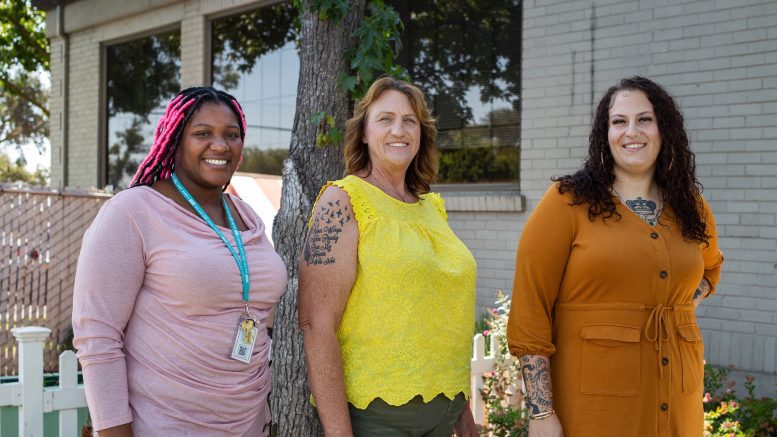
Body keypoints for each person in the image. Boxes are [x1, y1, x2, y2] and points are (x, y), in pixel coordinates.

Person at [507, 76, 724, 437]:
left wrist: (680, 307)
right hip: (593, 411)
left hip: (678, 405)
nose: (631, 131)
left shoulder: (693, 208)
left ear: (664, 129)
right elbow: (531, 308)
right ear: (605, 134)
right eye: (619, 121)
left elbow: (711, 267)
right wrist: (542, 413)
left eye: (644, 119)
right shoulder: (567, 202)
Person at [72, 87, 287, 436]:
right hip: (166, 425)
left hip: (250, 424)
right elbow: (97, 336)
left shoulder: (244, 214)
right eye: (202, 133)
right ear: (174, 140)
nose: (220, 145)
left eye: (231, 135)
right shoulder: (133, 211)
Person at [298, 76, 479, 437]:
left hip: (444, 417)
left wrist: (465, 421)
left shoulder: (432, 208)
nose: (399, 130)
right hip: (377, 422)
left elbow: (438, 318)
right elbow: (316, 324)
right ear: (364, 132)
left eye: (410, 120)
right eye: (385, 119)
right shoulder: (342, 201)